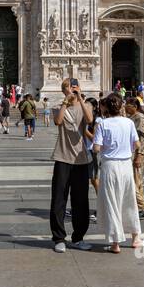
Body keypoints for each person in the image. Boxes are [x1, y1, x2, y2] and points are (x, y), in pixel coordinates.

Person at [92, 94, 144, 253]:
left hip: (109, 166)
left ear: (106, 107)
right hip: (126, 166)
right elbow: (136, 144)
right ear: (121, 106)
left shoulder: (102, 123)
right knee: (129, 201)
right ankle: (136, 238)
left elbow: (96, 148)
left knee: (112, 203)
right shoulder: (128, 122)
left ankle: (115, 243)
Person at [49, 78, 93, 253]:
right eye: (68, 88)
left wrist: (81, 98)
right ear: (63, 91)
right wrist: (65, 103)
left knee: (81, 200)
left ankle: (79, 237)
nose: (72, 90)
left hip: (81, 159)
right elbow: (58, 122)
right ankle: (59, 238)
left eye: (74, 87)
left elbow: (89, 120)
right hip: (62, 157)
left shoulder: (86, 106)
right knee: (59, 199)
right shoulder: (58, 107)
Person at [125, 97, 144, 219]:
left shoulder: (140, 118)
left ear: (135, 107)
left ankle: (143, 207)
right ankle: (139, 206)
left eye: (128, 105)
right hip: (133, 153)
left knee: (133, 181)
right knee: (137, 182)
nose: (126, 106)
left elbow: (143, 139)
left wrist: (140, 155)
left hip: (137, 154)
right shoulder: (132, 117)